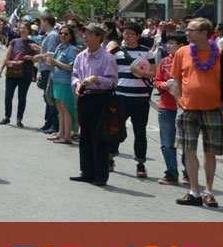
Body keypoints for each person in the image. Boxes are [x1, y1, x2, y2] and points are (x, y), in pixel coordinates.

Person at [172, 18, 223, 207]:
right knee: (188, 150)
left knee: (210, 152)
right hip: (188, 109)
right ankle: (194, 191)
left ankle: (208, 191)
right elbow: (176, 80)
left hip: (213, 110)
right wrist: (180, 102)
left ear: (204, 33)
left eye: (191, 30)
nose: (187, 33)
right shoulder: (182, 52)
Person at [70, 22, 119, 187]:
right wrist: (77, 83)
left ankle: (100, 175)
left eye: (90, 34)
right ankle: (86, 172)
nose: (85, 37)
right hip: (84, 98)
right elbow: (75, 74)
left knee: (99, 137)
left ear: (99, 37)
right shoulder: (81, 55)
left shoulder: (107, 57)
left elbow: (113, 81)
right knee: (85, 136)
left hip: (100, 99)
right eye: (84, 34)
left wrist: (97, 79)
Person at [109, 20, 154, 178]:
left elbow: (154, 73)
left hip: (140, 98)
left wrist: (140, 73)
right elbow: (112, 73)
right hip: (121, 96)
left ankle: (140, 164)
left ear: (138, 36)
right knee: (115, 129)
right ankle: (110, 157)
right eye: (125, 33)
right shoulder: (117, 53)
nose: (126, 36)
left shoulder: (147, 53)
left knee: (140, 132)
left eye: (130, 34)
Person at [153, 30, 185, 185]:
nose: (168, 46)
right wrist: (162, 85)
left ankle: (187, 172)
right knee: (167, 142)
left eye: (172, 43)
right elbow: (157, 80)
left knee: (186, 142)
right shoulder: (164, 61)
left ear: (182, 45)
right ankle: (171, 172)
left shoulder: (190, 61)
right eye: (168, 43)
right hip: (166, 106)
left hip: (185, 107)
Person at [41, 23, 80, 145]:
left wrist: (56, 62)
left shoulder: (71, 49)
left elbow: (72, 67)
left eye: (66, 34)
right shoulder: (59, 47)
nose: (62, 35)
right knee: (60, 108)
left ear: (70, 36)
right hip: (57, 81)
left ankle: (67, 135)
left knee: (66, 109)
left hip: (65, 82)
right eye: (61, 33)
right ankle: (60, 133)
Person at [0, 21, 38, 127]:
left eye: (25, 28)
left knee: (22, 96)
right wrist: (1, 69)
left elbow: (38, 60)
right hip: (12, 72)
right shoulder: (14, 42)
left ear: (29, 31)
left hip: (26, 73)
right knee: (8, 95)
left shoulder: (33, 44)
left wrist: (31, 58)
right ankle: (7, 117)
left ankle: (19, 119)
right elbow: (7, 56)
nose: (22, 30)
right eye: (21, 28)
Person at [36, 15, 61, 135]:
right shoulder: (51, 35)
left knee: (49, 97)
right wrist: (39, 48)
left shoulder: (52, 35)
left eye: (42, 22)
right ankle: (49, 123)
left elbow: (50, 54)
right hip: (46, 68)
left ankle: (52, 124)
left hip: (48, 69)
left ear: (46, 22)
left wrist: (37, 56)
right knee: (47, 96)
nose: (41, 24)